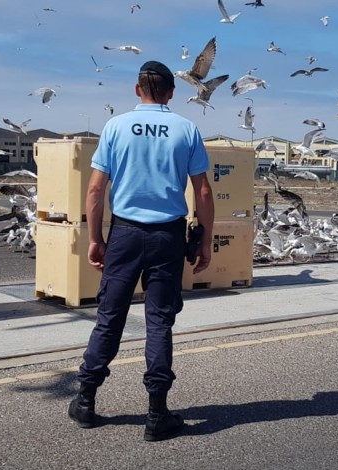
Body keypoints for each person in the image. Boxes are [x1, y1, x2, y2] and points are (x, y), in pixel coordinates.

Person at [68, 60, 215, 441]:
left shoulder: (115, 127)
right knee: (159, 321)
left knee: (110, 316)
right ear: (170, 92)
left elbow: (96, 190)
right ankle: (157, 413)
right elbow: (202, 191)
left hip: (126, 235)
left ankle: (85, 399)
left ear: (137, 90)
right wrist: (206, 239)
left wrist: (96, 239)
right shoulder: (186, 128)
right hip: (167, 236)